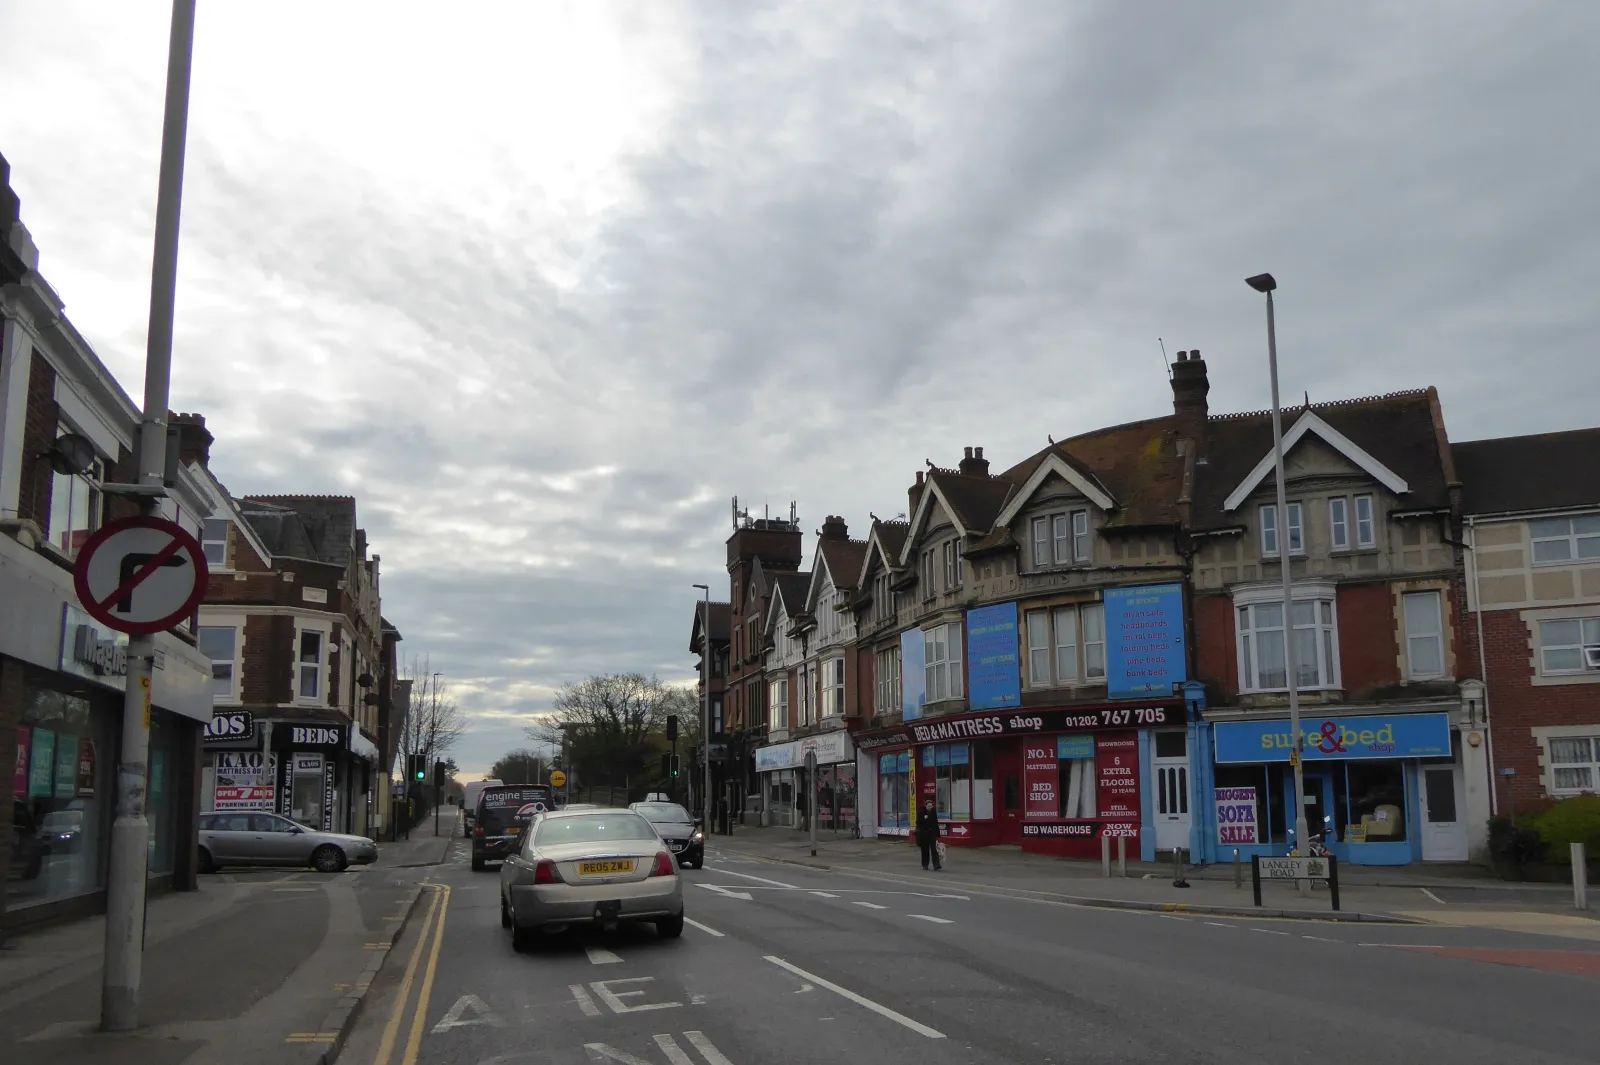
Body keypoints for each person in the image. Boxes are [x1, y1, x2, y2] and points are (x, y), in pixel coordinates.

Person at [915, 798, 942, 871]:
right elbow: (918, 822)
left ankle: (936, 865)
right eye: (929, 806)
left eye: (931, 806)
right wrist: (924, 819)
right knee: (925, 850)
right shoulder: (921, 812)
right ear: (926, 806)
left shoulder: (933, 813)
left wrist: (937, 834)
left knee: (934, 849)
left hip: (932, 834)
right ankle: (925, 865)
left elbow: (936, 823)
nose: (930, 807)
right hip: (924, 834)